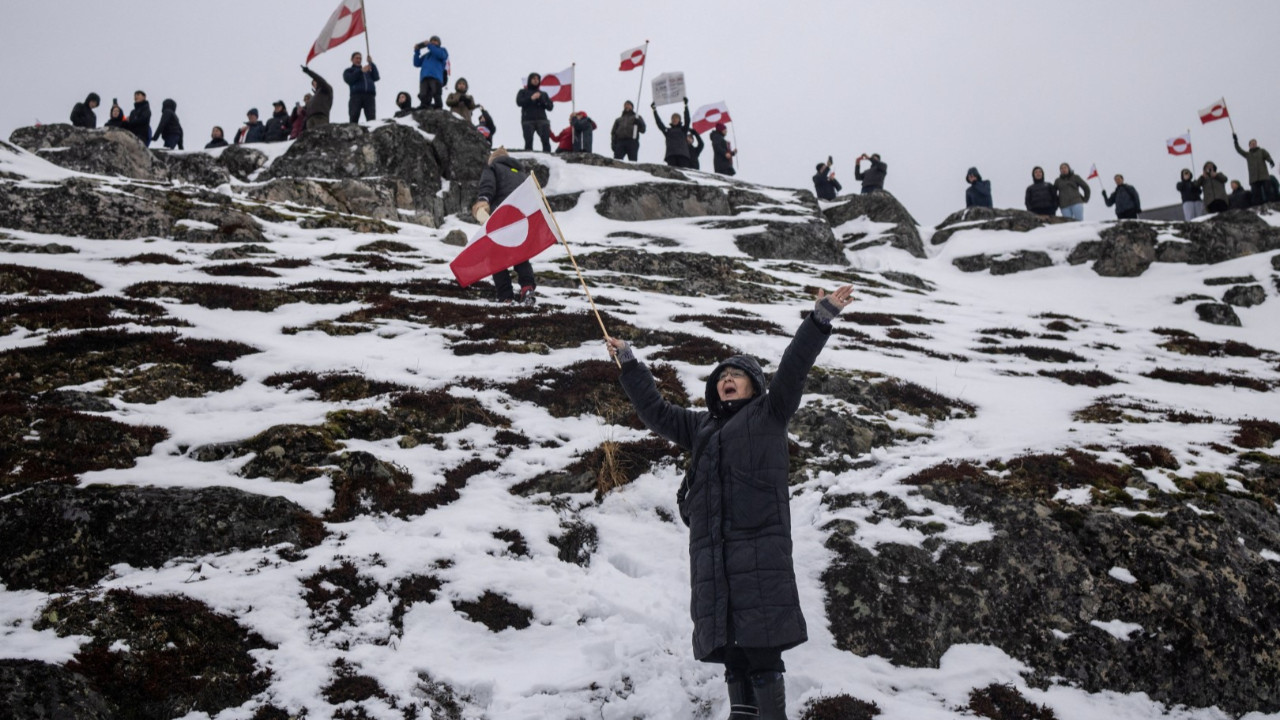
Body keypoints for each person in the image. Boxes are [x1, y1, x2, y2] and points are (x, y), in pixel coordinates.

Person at [606, 283, 857, 720]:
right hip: (714, 557)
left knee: (761, 650)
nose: (726, 380)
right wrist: (629, 363)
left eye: (735, 375)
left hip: (759, 551)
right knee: (733, 653)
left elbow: (795, 366)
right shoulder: (702, 427)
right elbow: (656, 411)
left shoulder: (769, 414)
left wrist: (820, 318)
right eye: (721, 376)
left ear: (754, 386)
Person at [470, 148, 538, 305]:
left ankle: (506, 296)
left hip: (501, 218)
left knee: (496, 257)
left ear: (493, 159)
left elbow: (488, 185)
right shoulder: (521, 173)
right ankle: (527, 289)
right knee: (521, 255)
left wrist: (483, 200)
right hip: (521, 219)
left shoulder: (493, 167)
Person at [1232, 134, 1276, 206]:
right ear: (1249, 145)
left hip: (1263, 175)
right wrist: (1235, 141)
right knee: (1256, 194)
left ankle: (1272, 204)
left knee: (1268, 190)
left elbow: (1267, 156)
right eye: (1252, 143)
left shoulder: (1261, 151)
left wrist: (1271, 161)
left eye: (1254, 143)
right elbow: (1239, 150)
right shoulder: (1248, 154)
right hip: (1254, 177)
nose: (1253, 144)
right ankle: (1258, 207)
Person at [516, 73, 554, 152]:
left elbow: (550, 107)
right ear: (530, 80)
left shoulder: (543, 94)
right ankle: (528, 159)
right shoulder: (523, 92)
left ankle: (549, 158)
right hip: (527, 120)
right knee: (528, 142)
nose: (536, 80)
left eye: (537, 79)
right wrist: (531, 98)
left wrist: (541, 100)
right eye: (534, 78)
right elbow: (519, 102)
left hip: (542, 120)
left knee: (546, 141)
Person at [652, 98, 692, 168]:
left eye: (676, 118)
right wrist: (654, 111)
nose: (674, 119)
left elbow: (687, 120)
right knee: (672, 176)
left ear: (679, 120)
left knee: (683, 174)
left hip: (683, 155)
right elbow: (659, 124)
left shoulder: (683, 129)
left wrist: (686, 106)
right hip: (671, 155)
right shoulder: (668, 131)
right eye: (673, 118)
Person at [343, 51, 380, 123]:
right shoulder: (349, 71)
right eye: (357, 58)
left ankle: (372, 133)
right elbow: (349, 79)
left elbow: (376, 77)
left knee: (371, 118)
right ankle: (353, 132)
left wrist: (371, 63)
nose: (358, 60)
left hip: (369, 96)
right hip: (356, 95)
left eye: (360, 58)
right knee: (354, 116)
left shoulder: (367, 71)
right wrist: (360, 71)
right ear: (352, 59)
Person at [413, 36, 448, 110]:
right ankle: (424, 106)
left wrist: (429, 45)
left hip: (436, 76)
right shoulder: (427, 55)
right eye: (431, 40)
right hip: (424, 77)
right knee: (424, 94)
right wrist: (417, 51)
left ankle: (438, 106)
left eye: (435, 40)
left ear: (439, 43)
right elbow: (417, 63)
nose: (433, 42)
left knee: (436, 93)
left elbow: (440, 55)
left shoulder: (442, 50)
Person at [301, 66, 334, 131]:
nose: (314, 84)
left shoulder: (326, 89)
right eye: (313, 84)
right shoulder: (313, 97)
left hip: (320, 117)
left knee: (322, 136)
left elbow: (320, 79)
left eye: (315, 82)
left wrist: (309, 72)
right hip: (310, 119)